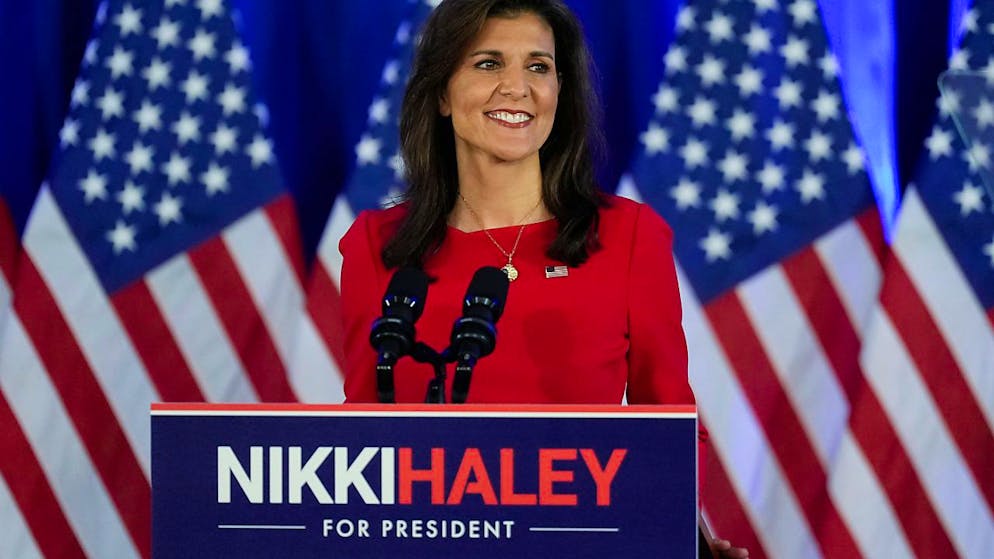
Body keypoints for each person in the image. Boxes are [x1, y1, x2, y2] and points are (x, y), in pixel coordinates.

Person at [339, 1, 748, 557]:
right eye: (488, 63)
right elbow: (361, 433)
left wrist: (674, 533)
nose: (517, 87)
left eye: (538, 67)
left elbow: (670, 429)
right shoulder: (376, 245)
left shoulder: (626, 236)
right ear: (439, 93)